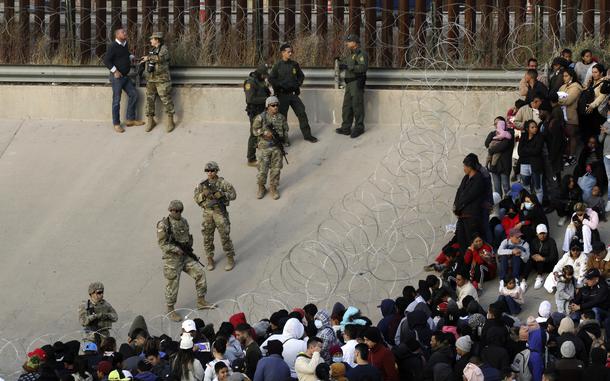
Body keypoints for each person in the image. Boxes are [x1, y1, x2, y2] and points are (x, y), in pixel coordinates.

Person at [156, 200, 210, 320]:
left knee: (200, 273)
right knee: (173, 285)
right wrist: (175, 249)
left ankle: (201, 301)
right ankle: (170, 310)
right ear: (170, 210)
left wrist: (188, 248)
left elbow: (186, 237)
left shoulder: (184, 221)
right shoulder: (163, 225)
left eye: (180, 211)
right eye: (175, 211)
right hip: (172, 260)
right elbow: (162, 244)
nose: (178, 213)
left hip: (185, 256)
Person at [268, 43, 318, 143]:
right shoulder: (277, 65)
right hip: (282, 95)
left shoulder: (294, 64)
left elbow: (301, 76)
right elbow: (271, 78)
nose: (290, 54)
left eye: (291, 52)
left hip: (293, 94)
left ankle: (307, 135)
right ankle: (283, 138)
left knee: (301, 112)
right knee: (282, 117)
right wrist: (279, 85)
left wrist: (297, 84)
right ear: (283, 53)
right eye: (288, 52)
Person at [194, 161, 237, 271]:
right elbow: (196, 198)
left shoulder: (223, 183)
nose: (209, 173)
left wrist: (223, 194)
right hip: (208, 213)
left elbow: (233, 195)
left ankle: (230, 258)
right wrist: (203, 197)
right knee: (207, 237)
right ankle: (210, 259)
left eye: (212, 170)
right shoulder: (202, 184)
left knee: (225, 236)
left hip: (220, 213)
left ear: (216, 171)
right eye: (207, 171)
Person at [103, 28, 144, 133]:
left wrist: (131, 56)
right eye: (123, 32)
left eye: (125, 32)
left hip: (125, 77)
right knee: (116, 101)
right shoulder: (113, 46)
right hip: (117, 78)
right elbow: (106, 60)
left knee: (134, 94)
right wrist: (115, 71)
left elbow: (124, 54)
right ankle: (116, 124)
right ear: (117, 35)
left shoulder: (124, 44)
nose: (125, 33)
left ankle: (130, 120)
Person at [252, 96, 289, 200]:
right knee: (262, 170)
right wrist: (264, 133)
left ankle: (273, 187)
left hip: (277, 148)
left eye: (277, 105)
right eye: (273, 105)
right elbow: (254, 131)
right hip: (264, 148)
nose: (275, 107)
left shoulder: (281, 117)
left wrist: (284, 142)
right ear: (267, 106)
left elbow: (285, 130)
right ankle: (261, 187)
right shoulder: (261, 117)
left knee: (276, 170)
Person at [336, 34, 369, 139]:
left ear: (355, 43)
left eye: (349, 41)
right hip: (349, 84)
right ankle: (346, 128)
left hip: (356, 83)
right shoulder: (350, 55)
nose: (347, 43)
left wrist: (348, 67)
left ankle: (359, 127)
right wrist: (339, 61)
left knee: (357, 106)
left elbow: (363, 68)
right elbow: (345, 63)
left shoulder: (361, 54)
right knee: (347, 107)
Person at [141, 32, 175, 133]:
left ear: (157, 40)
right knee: (149, 100)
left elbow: (160, 58)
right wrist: (145, 60)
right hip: (151, 79)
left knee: (165, 99)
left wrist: (148, 58)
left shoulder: (164, 49)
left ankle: (170, 121)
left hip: (162, 80)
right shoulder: (153, 50)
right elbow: (152, 60)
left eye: (152, 39)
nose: (151, 40)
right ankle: (151, 120)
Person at [454, 154, 486, 255]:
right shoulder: (466, 178)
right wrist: (456, 205)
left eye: (465, 166)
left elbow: (470, 196)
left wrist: (459, 205)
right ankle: (464, 263)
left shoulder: (479, 179)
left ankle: (473, 265)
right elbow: (459, 191)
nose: (464, 168)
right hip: (462, 215)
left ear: (470, 166)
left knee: (471, 241)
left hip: (472, 216)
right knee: (461, 240)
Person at [244, 64, 272, 166]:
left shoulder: (261, 81)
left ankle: (263, 151)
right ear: (259, 73)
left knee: (264, 131)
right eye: (264, 75)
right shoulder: (250, 82)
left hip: (263, 110)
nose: (265, 77)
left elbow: (265, 92)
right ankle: (251, 159)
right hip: (255, 112)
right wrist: (266, 99)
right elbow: (250, 99)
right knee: (254, 134)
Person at [558, 67, 583, 167]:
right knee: (564, 136)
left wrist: (559, 100)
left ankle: (572, 156)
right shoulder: (563, 86)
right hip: (561, 115)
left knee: (572, 135)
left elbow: (568, 100)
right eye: (563, 76)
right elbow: (558, 97)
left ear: (571, 76)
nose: (564, 78)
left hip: (571, 115)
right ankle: (565, 154)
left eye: (566, 76)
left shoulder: (576, 87)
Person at [485, 117, 514, 196]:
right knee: (497, 189)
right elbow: (487, 144)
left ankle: (510, 206)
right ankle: (499, 206)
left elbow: (503, 146)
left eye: (498, 123)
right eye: (495, 124)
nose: (496, 125)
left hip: (504, 165)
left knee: (506, 187)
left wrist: (491, 150)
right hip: (494, 166)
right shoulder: (493, 134)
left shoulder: (509, 133)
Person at [519, 120, 545, 203]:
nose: (535, 129)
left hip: (536, 165)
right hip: (524, 164)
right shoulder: (523, 137)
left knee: (538, 187)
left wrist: (526, 150)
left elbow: (537, 151)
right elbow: (520, 152)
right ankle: (529, 205)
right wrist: (531, 151)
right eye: (532, 127)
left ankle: (538, 207)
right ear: (527, 129)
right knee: (526, 186)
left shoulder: (539, 137)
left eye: (536, 127)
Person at [527, 224, 559, 290]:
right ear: (537, 234)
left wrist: (543, 258)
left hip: (549, 265)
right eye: (540, 234)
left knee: (540, 259)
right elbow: (531, 252)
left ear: (546, 233)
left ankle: (539, 277)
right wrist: (534, 256)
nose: (542, 236)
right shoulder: (534, 241)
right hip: (537, 265)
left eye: (544, 233)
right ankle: (523, 280)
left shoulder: (551, 241)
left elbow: (554, 257)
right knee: (530, 260)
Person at [581, 64, 607, 141]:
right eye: (592, 72)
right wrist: (588, 84)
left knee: (596, 134)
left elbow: (601, 97)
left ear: (601, 73)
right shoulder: (592, 82)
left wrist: (592, 105)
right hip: (589, 111)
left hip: (597, 112)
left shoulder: (604, 83)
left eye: (596, 72)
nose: (593, 74)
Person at [599, 124, 610, 212]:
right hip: (607, 155)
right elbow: (600, 139)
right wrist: (602, 132)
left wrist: (607, 131)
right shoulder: (605, 123)